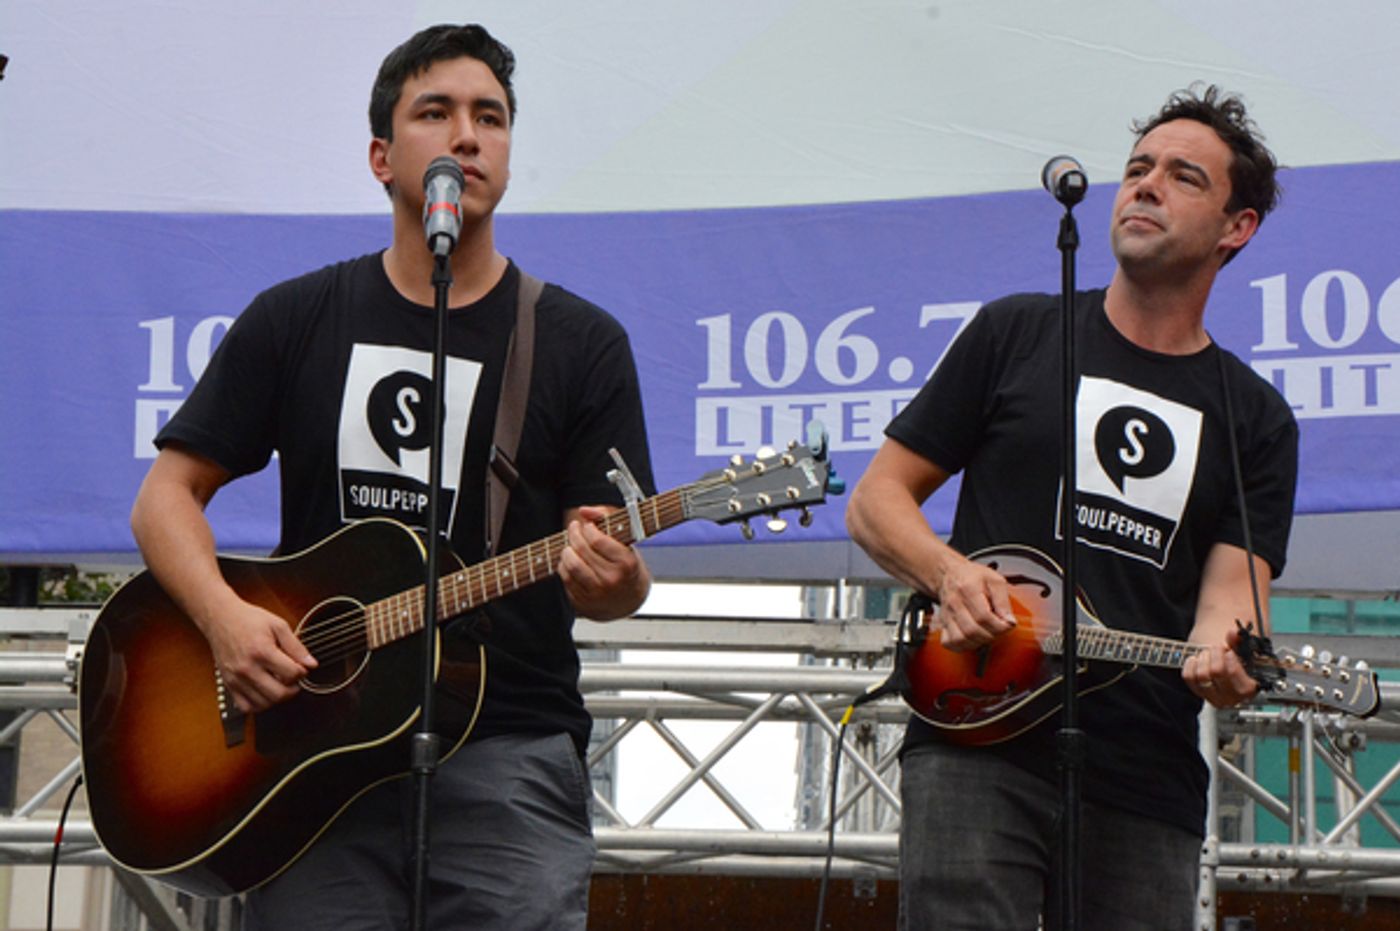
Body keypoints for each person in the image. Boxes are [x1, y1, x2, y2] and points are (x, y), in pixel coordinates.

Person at [129, 23, 654, 930]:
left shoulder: (579, 342)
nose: (466, 136)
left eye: (489, 118)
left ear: (507, 156)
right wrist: (224, 623)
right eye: (436, 113)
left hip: (509, 749)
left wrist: (620, 580)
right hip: (308, 760)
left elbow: (608, 581)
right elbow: (163, 499)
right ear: (382, 155)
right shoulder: (297, 317)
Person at [846, 85, 1297, 930]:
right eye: (1137, 168)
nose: (1146, 185)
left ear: (1237, 227)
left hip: (1145, 771)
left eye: (1183, 176)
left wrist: (1228, 664)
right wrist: (949, 574)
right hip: (978, 735)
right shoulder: (1014, 333)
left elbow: (1231, 606)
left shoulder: (1255, 418)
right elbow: (876, 501)